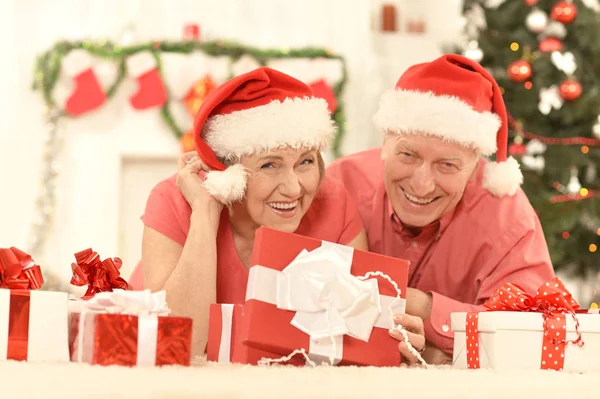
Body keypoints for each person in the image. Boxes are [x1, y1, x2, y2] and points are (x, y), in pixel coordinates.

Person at [138, 67, 425, 364]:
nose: (293, 188)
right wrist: (205, 213)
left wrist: (391, 340)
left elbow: (346, 341)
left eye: (305, 162)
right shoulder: (173, 200)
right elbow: (176, 348)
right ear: (227, 174)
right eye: (269, 165)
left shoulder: (333, 202)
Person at [327, 54, 556, 363]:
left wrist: (420, 308)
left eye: (447, 164)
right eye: (407, 154)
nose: (422, 185)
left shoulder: (510, 219)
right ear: (385, 142)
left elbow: (532, 336)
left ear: (477, 163)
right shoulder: (340, 185)